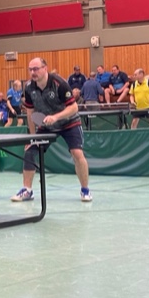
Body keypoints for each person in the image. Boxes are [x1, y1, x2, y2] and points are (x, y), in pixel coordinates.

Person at [11, 57, 92, 203]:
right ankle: (27, 190)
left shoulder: (59, 83)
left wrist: (56, 117)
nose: (33, 72)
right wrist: (32, 137)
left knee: (77, 153)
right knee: (30, 152)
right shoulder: (29, 87)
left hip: (69, 122)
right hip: (47, 126)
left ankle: (85, 190)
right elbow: (30, 112)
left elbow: (74, 107)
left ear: (45, 68)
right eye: (30, 69)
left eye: (36, 69)